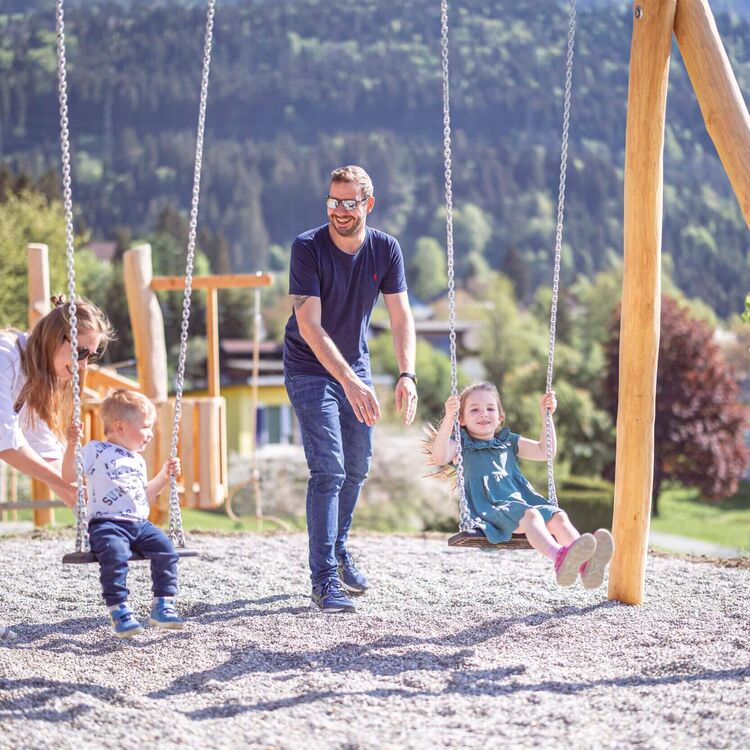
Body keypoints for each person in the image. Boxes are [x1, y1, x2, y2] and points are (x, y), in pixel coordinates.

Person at [283, 165, 418, 613]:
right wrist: (349, 381)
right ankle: (323, 579)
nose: (340, 210)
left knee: (357, 466)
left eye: (349, 202)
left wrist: (407, 374)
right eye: (333, 201)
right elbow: (309, 326)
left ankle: (338, 548)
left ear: (368, 204)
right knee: (329, 469)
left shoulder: (386, 249)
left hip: (355, 367)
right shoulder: (307, 247)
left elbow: (401, 316)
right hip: (309, 367)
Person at [431, 382, 614, 588]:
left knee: (557, 516)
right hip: (491, 509)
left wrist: (546, 415)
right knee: (531, 515)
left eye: (490, 408)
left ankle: (586, 566)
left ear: (500, 417)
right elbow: (439, 456)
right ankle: (559, 557)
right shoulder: (461, 444)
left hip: (520, 503)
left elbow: (545, 451)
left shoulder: (508, 441)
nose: (483, 413)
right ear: (462, 419)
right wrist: (449, 417)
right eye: (474, 410)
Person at [63, 389, 184, 638]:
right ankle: (119, 610)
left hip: (139, 523)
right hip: (107, 524)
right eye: (146, 427)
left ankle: (163, 605)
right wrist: (72, 445)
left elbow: (145, 495)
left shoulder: (137, 460)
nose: (150, 434)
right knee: (115, 555)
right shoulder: (95, 450)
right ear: (120, 427)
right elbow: (68, 476)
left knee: (167, 549)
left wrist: (164, 476)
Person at [0, 296, 114, 507]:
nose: (83, 365)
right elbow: (6, 442)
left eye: (91, 356)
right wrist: (69, 488)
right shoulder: (5, 358)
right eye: (80, 352)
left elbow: (43, 445)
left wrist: (88, 506)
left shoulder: (33, 374)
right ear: (54, 337)